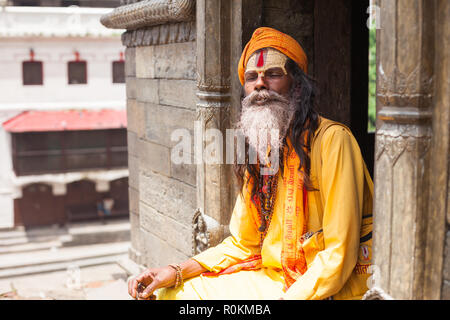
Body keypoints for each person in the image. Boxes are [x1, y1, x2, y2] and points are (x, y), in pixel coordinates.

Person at [128, 27, 374, 300]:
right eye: (252, 77)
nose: (259, 84)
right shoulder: (260, 151)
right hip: (272, 277)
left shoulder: (333, 141)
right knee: (173, 293)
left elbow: (339, 253)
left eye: (273, 74)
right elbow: (243, 243)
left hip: (321, 285)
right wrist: (176, 270)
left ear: (297, 85)